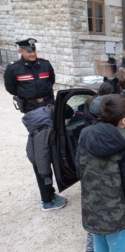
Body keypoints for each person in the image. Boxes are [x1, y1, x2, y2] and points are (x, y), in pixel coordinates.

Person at [76, 94, 125, 252]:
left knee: (99, 248)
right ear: (123, 120)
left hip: (91, 206)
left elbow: (79, 168)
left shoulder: (85, 133)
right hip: (117, 213)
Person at [3, 38, 66, 211]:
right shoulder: (13, 69)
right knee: (41, 153)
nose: (32, 53)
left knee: (55, 148)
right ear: (20, 51)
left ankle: (54, 188)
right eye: (28, 51)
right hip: (33, 113)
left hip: (49, 108)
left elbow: (51, 81)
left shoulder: (45, 65)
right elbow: (11, 88)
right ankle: (47, 197)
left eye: (33, 50)